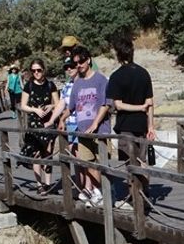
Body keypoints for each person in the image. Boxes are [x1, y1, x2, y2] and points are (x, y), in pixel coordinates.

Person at [106, 34, 156, 212]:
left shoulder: (116, 76)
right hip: (142, 124)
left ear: (118, 55)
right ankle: (144, 194)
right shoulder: (144, 73)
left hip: (126, 124)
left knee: (130, 162)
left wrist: (138, 108)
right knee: (142, 162)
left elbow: (117, 104)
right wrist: (150, 125)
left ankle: (134, 199)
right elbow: (150, 102)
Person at [67, 46, 110, 207]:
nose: (78, 65)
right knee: (86, 162)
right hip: (82, 130)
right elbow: (70, 107)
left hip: (99, 130)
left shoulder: (101, 80)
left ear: (89, 60)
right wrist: (58, 120)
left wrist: (96, 123)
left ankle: (102, 191)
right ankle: (97, 191)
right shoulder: (77, 84)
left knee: (99, 163)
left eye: (81, 61)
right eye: (76, 63)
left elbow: (105, 104)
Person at [19, 58, 59, 194]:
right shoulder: (28, 86)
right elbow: (23, 105)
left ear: (43, 70)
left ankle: (48, 183)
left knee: (47, 153)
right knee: (36, 153)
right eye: (33, 70)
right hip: (34, 123)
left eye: (39, 70)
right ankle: (39, 184)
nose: (36, 73)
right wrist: (35, 110)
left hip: (48, 122)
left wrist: (51, 106)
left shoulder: (50, 85)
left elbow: (58, 103)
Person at [48, 58, 82, 192]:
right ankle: (81, 186)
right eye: (66, 67)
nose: (69, 69)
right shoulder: (68, 85)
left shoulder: (84, 82)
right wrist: (52, 120)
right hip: (71, 124)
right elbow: (62, 103)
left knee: (84, 157)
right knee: (75, 156)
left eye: (71, 66)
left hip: (83, 124)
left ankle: (90, 187)